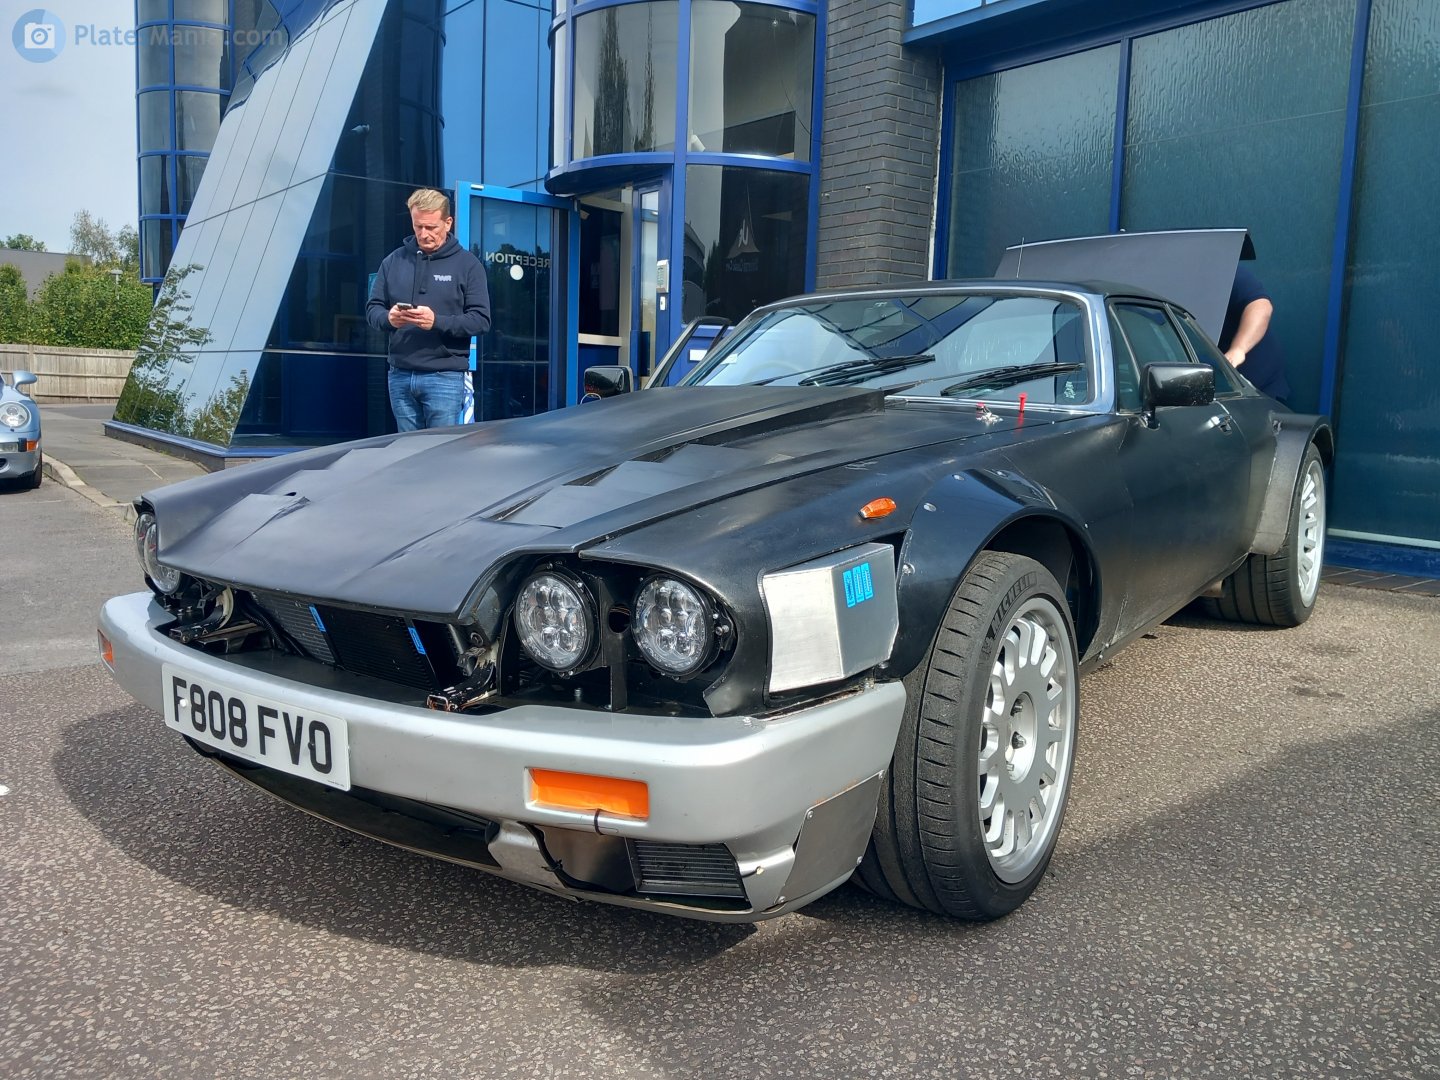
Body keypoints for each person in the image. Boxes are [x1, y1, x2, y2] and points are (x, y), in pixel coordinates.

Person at [366, 188, 491, 431]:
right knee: (407, 453)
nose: (424, 234)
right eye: (418, 226)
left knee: (442, 455)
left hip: (445, 377)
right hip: (400, 374)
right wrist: (389, 318)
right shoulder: (393, 261)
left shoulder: (468, 265)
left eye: (431, 227)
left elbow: (481, 320)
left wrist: (437, 321)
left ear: (448, 222)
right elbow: (373, 310)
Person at [1218, 263, 1289, 402]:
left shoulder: (1224, 268)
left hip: (1259, 392)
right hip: (1213, 393)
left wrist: (1238, 350)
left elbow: (1260, 306)